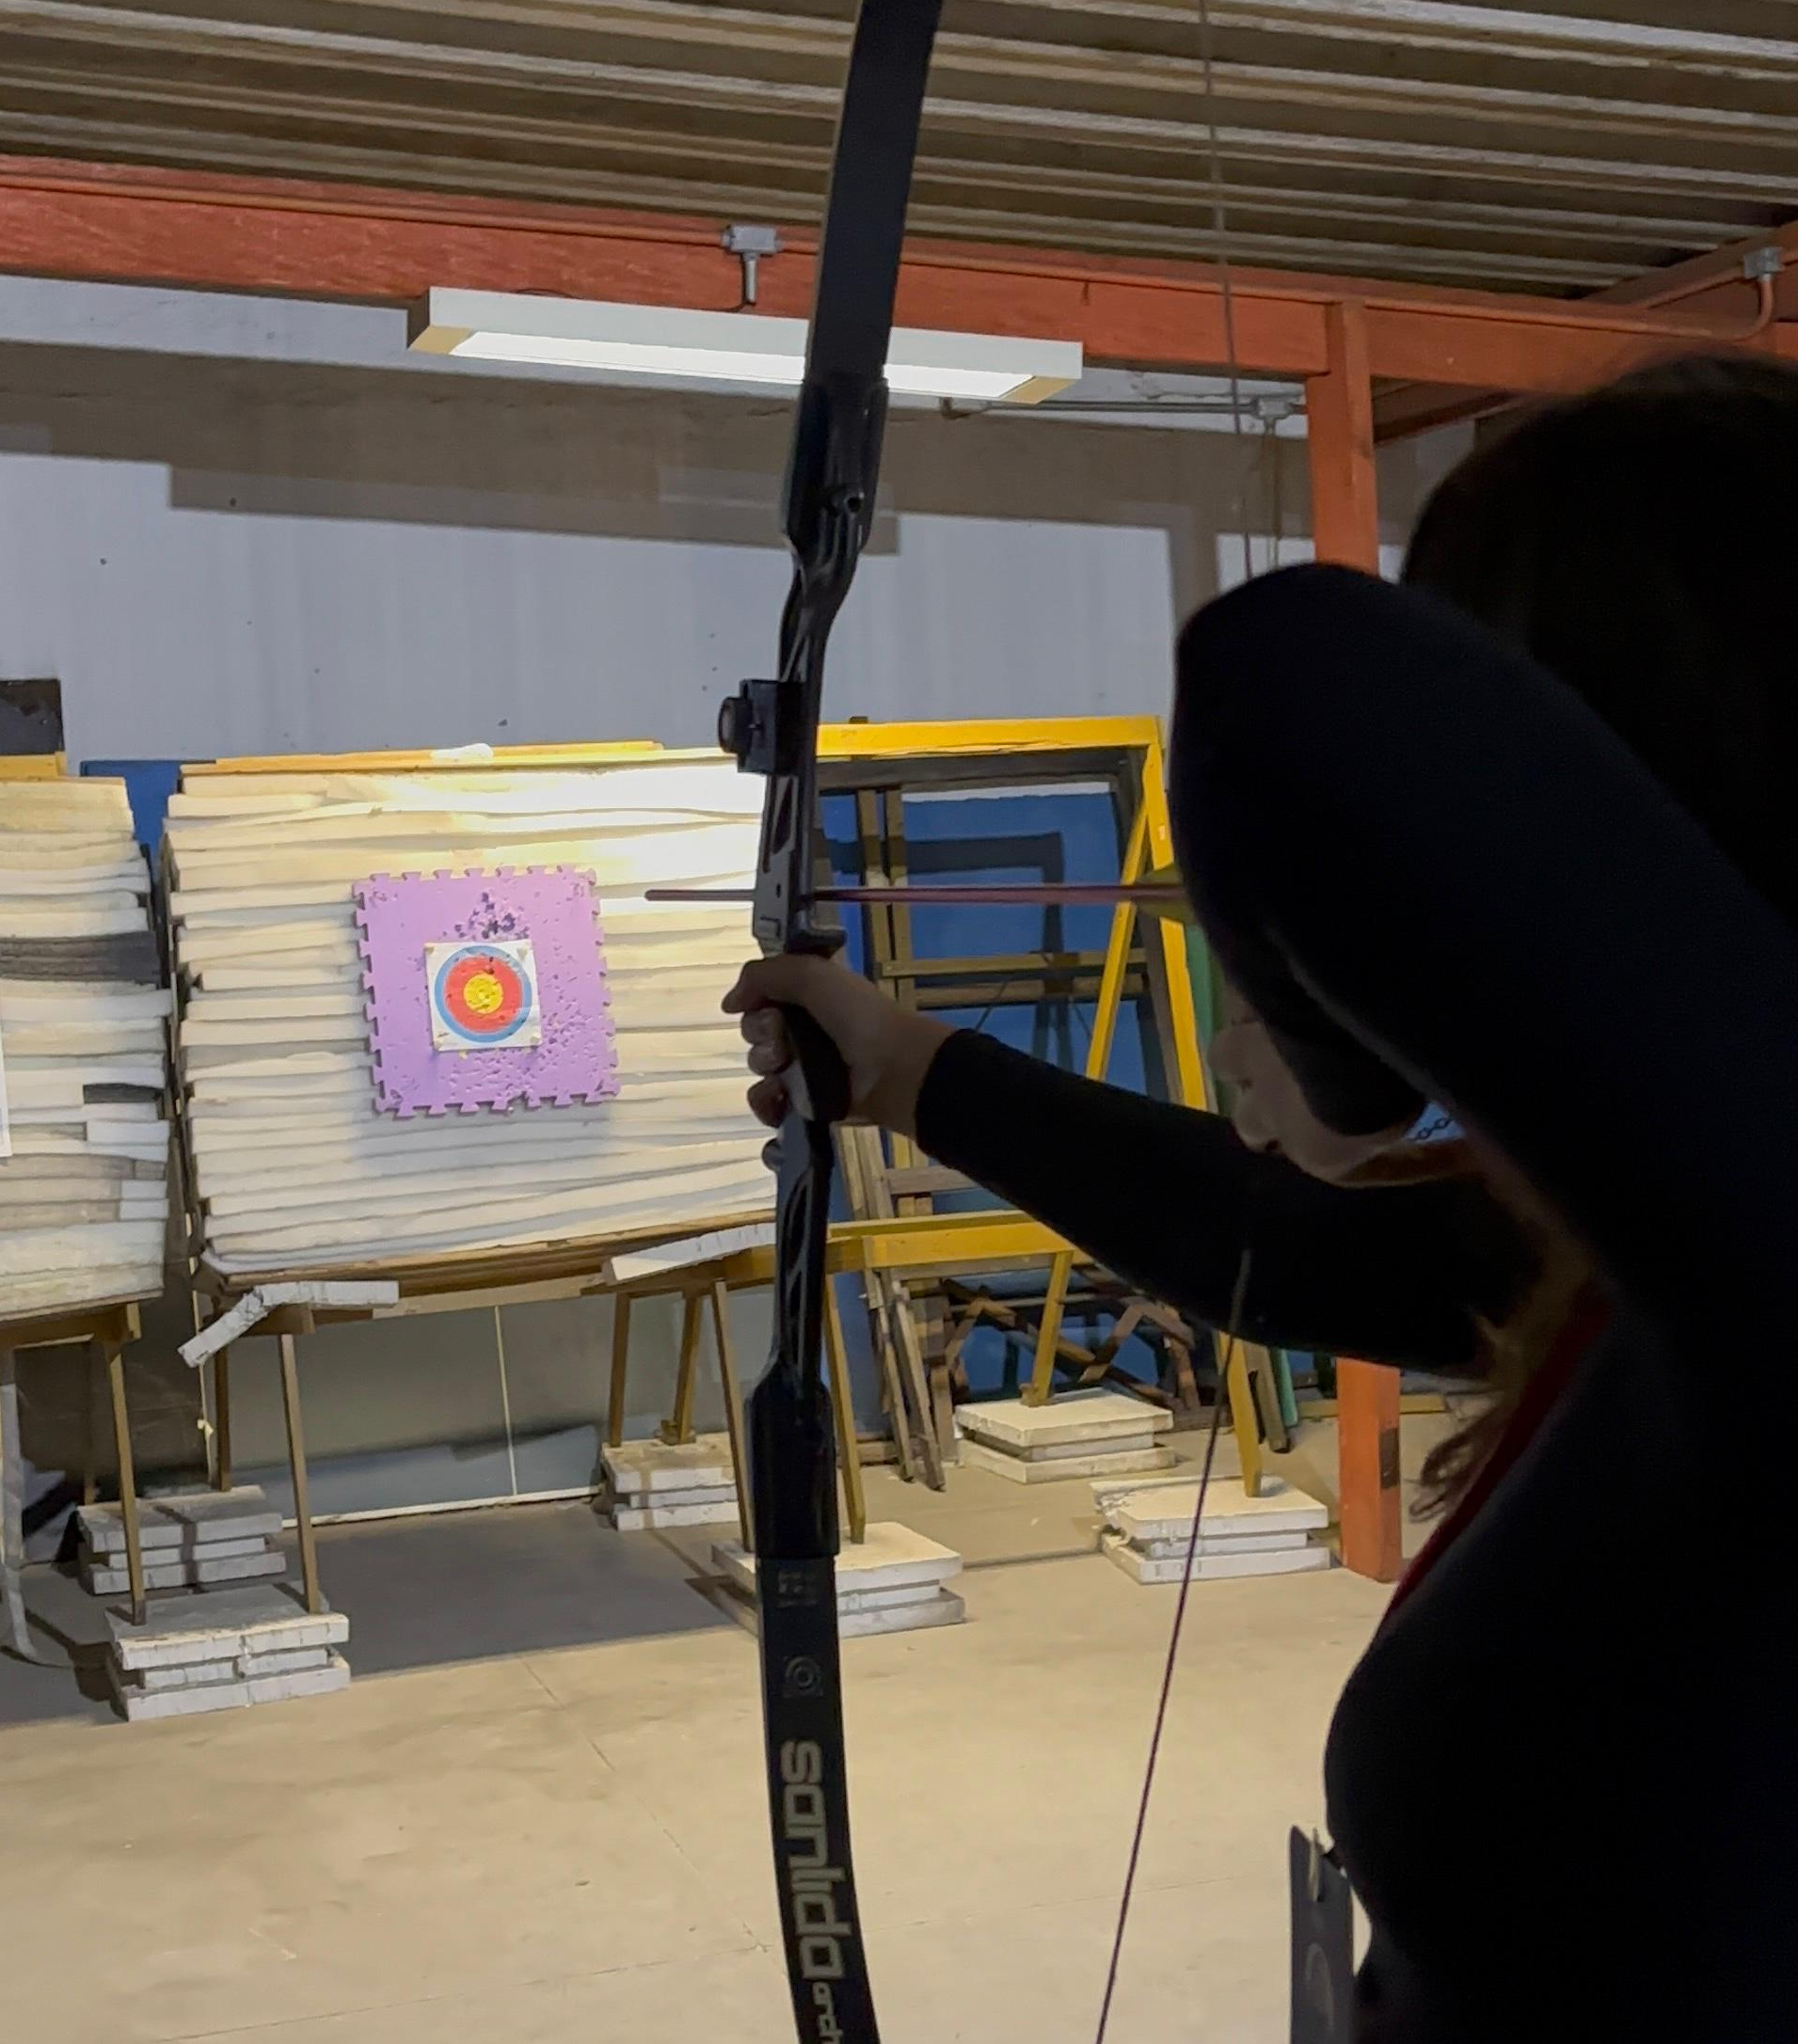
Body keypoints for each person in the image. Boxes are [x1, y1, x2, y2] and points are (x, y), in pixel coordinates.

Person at [724, 352, 1798, 2038]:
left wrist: (1349, 1063)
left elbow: (1286, 676)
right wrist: (907, 1067)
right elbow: (1282, 1249)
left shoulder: (1769, 1279)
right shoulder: (1644, 1275)